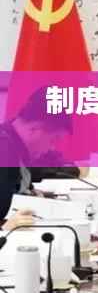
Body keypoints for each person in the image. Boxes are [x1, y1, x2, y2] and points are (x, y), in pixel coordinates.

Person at [0, 87, 72, 230]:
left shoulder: (14, 144)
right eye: (53, 140)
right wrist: (4, 229)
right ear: (35, 129)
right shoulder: (4, 150)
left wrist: (29, 192)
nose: (51, 148)